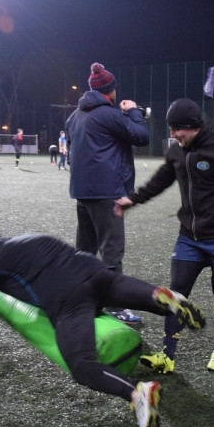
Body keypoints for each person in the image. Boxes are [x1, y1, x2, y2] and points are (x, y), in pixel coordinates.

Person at [0, 223, 206, 427]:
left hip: (69, 298)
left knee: (81, 364)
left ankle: (137, 395)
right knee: (115, 287)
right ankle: (161, 298)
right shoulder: (30, 237)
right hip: (95, 270)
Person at [114, 98, 214, 373]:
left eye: (177, 130)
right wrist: (134, 199)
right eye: (172, 130)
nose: (174, 135)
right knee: (176, 295)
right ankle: (167, 355)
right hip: (189, 237)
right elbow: (162, 179)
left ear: (193, 126)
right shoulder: (178, 151)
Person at [66, 62, 150, 324]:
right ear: (110, 89)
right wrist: (134, 111)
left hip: (82, 190)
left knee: (86, 251)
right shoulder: (109, 114)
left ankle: (82, 300)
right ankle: (114, 304)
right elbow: (141, 136)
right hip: (107, 192)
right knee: (112, 252)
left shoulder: (73, 116)